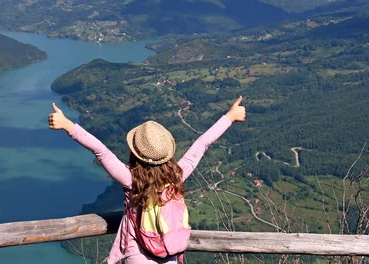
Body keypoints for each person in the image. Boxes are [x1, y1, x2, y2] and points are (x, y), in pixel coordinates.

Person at [48, 96, 246, 264]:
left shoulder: (131, 180)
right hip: (170, 253)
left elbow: (101, 151)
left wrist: (67, 125)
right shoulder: (177, 176)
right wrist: (229, 117)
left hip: (137, 255)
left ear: (136, 153)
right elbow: (201, 145)